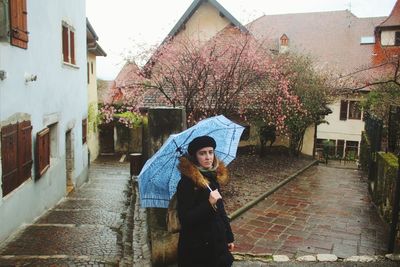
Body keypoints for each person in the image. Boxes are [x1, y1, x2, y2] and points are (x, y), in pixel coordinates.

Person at [176, 135, 235, 267]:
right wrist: (209, 204)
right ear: (194, 156)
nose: (208, 157)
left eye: (210, 152)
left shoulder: (212, 177)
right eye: (202, 153)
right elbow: (185, 218)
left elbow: (221, 211)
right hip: (197, 247)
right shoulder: (186, 183)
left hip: (217, 240)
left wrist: (229, 237)